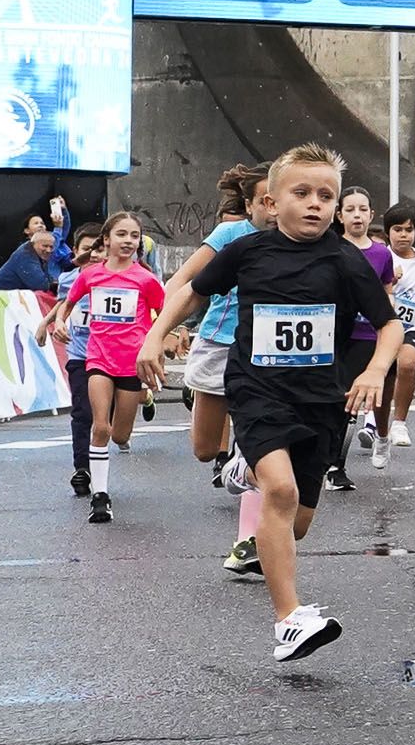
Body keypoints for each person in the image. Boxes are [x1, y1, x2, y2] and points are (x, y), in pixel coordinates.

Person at [140, 144, 402, 663]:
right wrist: (155, 335)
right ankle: (289, 620)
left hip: (321, 400)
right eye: (301, 193)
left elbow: (389, 323)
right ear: (272, 200)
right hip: (257, 389)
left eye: (325, 196)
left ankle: (246, 468)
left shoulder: (346, 261)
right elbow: (195, 292)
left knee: (295, 522)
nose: (315, 204)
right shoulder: (248, 250)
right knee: (279, 494)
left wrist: (374, 370)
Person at [152, 164, 275, 578]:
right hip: (217, 346)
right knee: (206, 449)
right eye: (266, 201)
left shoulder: (297, 240)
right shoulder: (229, 236)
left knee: (255, 440)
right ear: (250, 203)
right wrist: (162, 331)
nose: (276, 210)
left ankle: (246, 542)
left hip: (265, 354)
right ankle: (237, 463)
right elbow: (183, 283)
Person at [52, 211, 165, 524]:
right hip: (98, 359)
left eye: (134, 236)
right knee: (99, 426)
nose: (128, 241)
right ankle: (100, 497)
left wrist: (163, 341)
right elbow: (68, 303)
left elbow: (164, 313)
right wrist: (60, 321)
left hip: (132, 365)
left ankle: (139, 403)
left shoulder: (145, 279)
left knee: (119, 435)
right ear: (106, 240)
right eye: (121, 234)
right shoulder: (90, 275)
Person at [324, 185, 387, 496]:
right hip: (331, 335)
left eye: (363, 209)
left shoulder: (381, 253)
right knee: (325, 399)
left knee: (348, 402)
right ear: (339, 215)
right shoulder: (329, 248)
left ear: (371, 214)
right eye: (350, 209)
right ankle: (317, 457)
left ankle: (336, 465)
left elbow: (386, 297)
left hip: (365, 336)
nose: (357, 215)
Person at [372, 204, 415, 462]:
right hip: (386, 326)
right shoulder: (381, 256)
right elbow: (368, 291)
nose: (403, 235)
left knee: (407, 363)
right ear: (388, 233)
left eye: (408, 230)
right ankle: (382, 435)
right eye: (397, 229)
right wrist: (389, 282)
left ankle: (400, 422)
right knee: (385, 384)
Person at [51, 221, 106, 497]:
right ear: (77, 251)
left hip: (113, 358)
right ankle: (82, 469)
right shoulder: (68, 280)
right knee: (83, 412)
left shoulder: (117, 278)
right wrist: (51, 323)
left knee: (106, 420)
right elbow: (64, 304)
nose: (95, 256)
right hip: (80, 354)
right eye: (88, 250)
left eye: (100, 250)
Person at [0, 220, 64, 293]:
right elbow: (41, 285)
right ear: (33, 244)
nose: (49, 250)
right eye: (45, 246)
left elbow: (47, 280)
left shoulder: (38, 253)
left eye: (51, 247)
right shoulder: (26, 254)